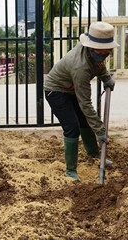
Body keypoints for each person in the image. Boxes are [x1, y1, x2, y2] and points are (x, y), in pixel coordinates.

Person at [43, 21, 119, 181]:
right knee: (72, 126)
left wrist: (106, 77)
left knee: (85, 120)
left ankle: (93, 153)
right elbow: (85, 103)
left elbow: (98, 65)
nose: (105, 55)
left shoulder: (94, 54)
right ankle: (70, 170)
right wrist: (100, 130)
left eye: (108, 52)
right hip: (56, 91)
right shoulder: (80, 67)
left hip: (71, 88)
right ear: (92, 48)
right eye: (102, 52)